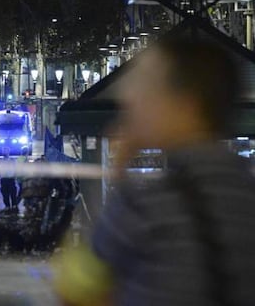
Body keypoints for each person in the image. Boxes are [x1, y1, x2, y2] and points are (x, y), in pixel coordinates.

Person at [55, 38, 255, 306]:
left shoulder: (148, 206)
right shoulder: (243, 192)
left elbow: (76, 290)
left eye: (147, 86)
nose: (129, 97)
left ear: (186, 105)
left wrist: (119, 174)